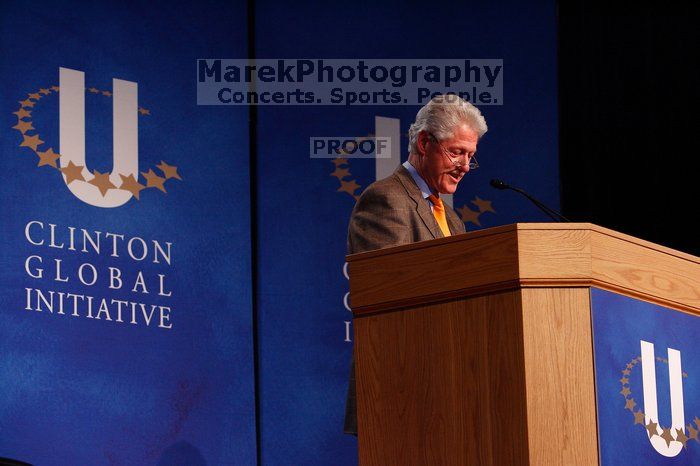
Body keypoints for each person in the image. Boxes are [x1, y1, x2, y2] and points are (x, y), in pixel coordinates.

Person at [343, 94, 488, 436]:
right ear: (424, 143)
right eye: (457, 153)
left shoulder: (452, 219)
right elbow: (387, 297)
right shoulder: (387, 198)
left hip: (447, 384)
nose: (465, 167)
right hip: (401, 387)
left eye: (471, 157)